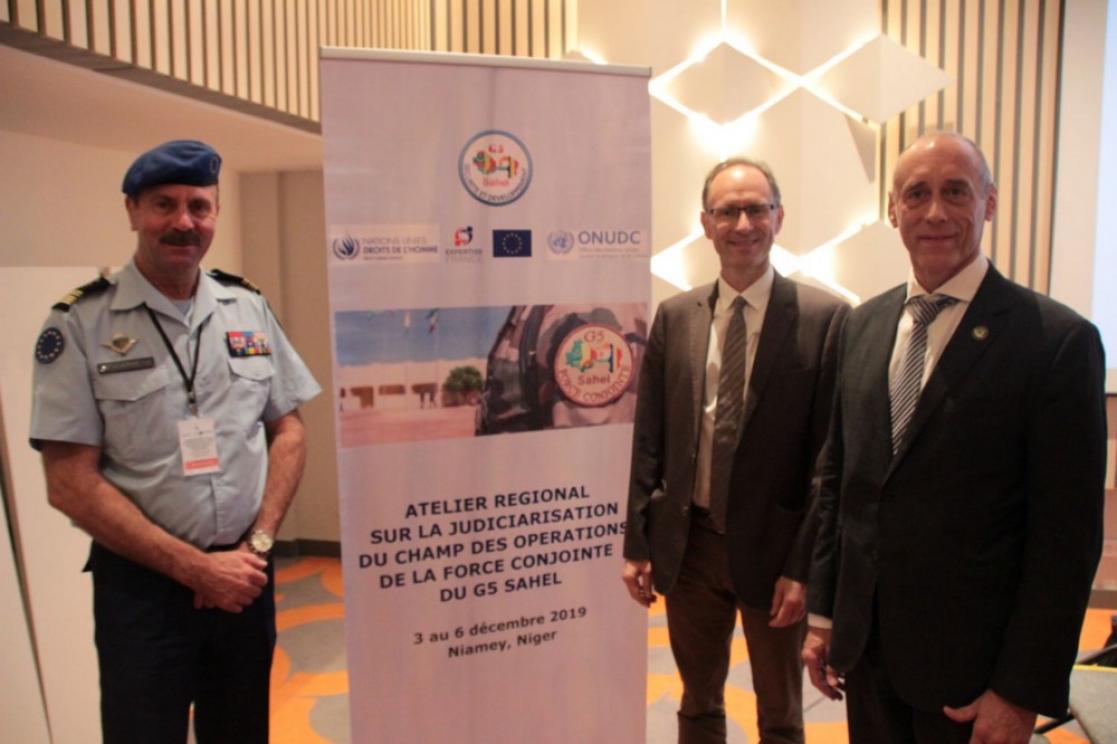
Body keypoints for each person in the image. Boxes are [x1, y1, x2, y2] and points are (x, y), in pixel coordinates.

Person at [802, 132, 1106, 744]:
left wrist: (1020, 690)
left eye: (955, 192)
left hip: (975, 677)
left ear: (989, 203)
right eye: (917, 194)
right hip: (867, 657)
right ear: (893, 211)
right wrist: (826, 613)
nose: (935, 212)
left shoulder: (1056, 342)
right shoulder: (860, 325)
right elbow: (843, 486)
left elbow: (1065, 540)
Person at [30, 139, 321, 743]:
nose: (184, 222)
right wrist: (193, 569)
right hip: (145, 592)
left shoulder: (247, 307)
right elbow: (69, 482)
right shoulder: (81, 323)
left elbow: (289, 429)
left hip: (244, 579)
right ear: (132, 210)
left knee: (241, 733)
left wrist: (259, 543)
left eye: (200, 206)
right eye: (165, 204)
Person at [623, 158, 848, 743]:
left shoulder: (825, 320)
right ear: (706, 223)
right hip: (689, 547)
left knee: (780, 714)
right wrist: (638, 542)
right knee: (697, 703)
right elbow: (649, 438)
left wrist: (804, 570)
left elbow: (830, 462)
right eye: (728, 211)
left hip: (777, 560)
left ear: (779, 216)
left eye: (756, 208)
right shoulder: (676, 317)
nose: (743, 223)